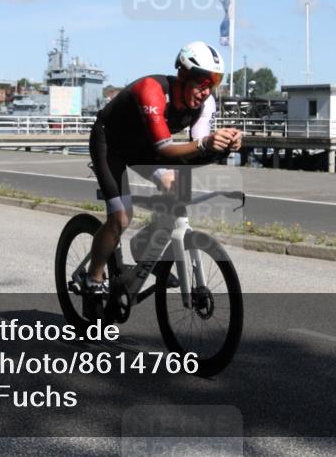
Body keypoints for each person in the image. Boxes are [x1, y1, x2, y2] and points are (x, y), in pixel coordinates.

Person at [84, 41, 242, 308]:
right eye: (202, 82)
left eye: (214, 83)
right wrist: (206, 144)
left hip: (143, 147)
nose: (206, 91)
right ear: (183, 74)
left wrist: (225, 145)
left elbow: (196, 146)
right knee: (120, 218)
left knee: (175, 186)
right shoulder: (152, 90)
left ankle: (144, 246)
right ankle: (93, 279)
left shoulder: (205, 103)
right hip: (110, 145)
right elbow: (166, 149)